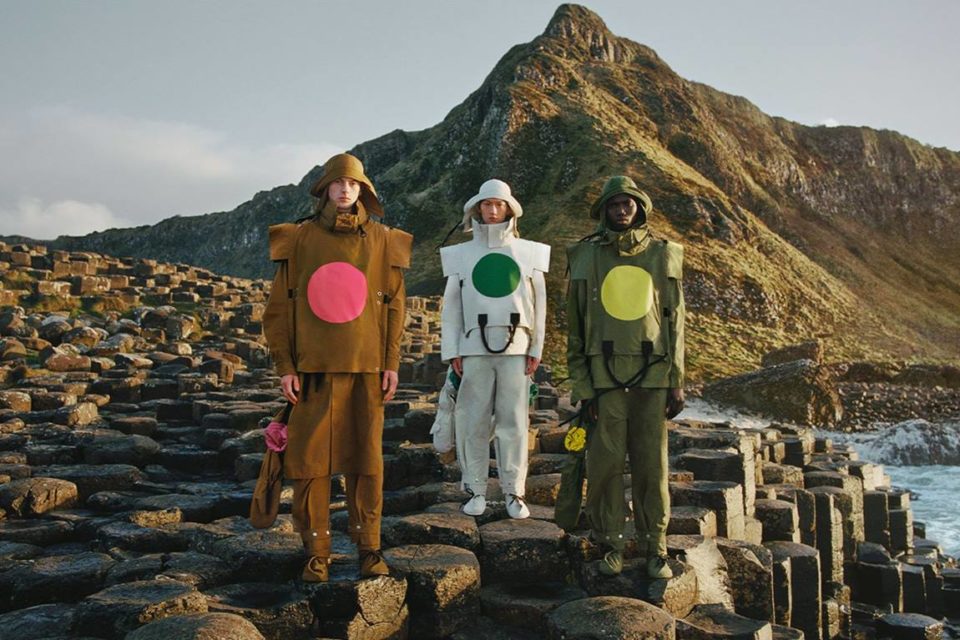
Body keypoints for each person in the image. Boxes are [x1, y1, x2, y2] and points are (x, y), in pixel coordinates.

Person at [262, 153, 412, 582]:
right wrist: (285, 366)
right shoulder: (300, 238)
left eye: (354, 184)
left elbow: (394, 309)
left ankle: (369, 548)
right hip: (311, 371)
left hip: (366, 369)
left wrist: (391, 363)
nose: (345, 190)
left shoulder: (385, 240)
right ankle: (318, 551)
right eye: (338, 183)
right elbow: (277, 310)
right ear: (325, 188)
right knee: (310, 463)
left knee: (366, 462)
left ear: (364, 191)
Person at [565, 175, 685, 578]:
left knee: (653, 466)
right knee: (606, 465)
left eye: (628, 204)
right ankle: (611, 543)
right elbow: (576, 327)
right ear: (604, 211)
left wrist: (677, 379)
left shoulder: (664, 254)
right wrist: (583, 386)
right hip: (605, 377)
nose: (621, 210)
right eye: (614, 205)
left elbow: (676, 322)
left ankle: (656, 547)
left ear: (640, 207)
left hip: (653, 376)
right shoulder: (585, 256)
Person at [440, 179, 550, 519]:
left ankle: (513, 492)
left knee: (513, 422)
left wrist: (536, 347)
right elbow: (452, 307)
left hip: (517, 347)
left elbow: (540, 303)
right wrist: (453, 349)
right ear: (476, 210)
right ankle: (474, 489)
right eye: (485, 204)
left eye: (498, 204)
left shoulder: (530, 251)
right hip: (472, 347)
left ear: (509, 210)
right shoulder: (460, 253)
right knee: (471, 420)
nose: (491, 210)